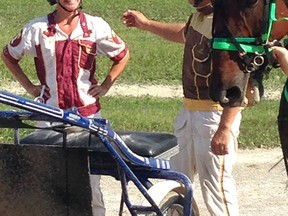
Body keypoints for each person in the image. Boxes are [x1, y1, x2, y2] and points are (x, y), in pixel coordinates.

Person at [1, 0, 129, 215]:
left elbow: (122, 54)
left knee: (90, 183)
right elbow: (9, 55)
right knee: (48, 180)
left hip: (87, 117)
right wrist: (30, 87)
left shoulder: (96, 26)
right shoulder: (37, 28)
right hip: (49, 118)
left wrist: (106, 85)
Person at [123, 0, 242, 215]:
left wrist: (225, 129)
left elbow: (240, 81)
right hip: (189, 112)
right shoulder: (200, 16)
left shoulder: (228, 24)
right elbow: (183, 34)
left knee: (216, 187)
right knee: (177, 179)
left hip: (214, 115)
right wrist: (146, 24)